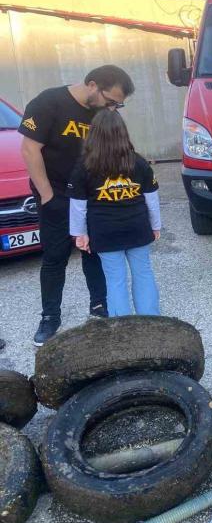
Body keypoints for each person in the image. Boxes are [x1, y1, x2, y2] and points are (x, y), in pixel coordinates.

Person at [19, 65, 135, 346]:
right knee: (55, 256)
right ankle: (50, 317)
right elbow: (30, 149)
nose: (113, 108)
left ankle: (99, 305)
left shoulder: (104, 113)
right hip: (55, 193)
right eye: (111, 101)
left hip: (90, 194)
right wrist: (47, 196)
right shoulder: (48, 102)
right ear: (92, 85)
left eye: (118, 105)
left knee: (93, 251)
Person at [68, 110, 161, 317]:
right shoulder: (138, 162)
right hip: (137, 227)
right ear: (123, 133)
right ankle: (152, 322)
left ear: (93, 135)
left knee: (114, 280)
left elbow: (78, 206)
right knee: (143, 273)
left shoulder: (84, 166)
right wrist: (155, 226)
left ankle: (121, 328)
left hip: (104, 232)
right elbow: (152, 200)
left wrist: (80, 234)